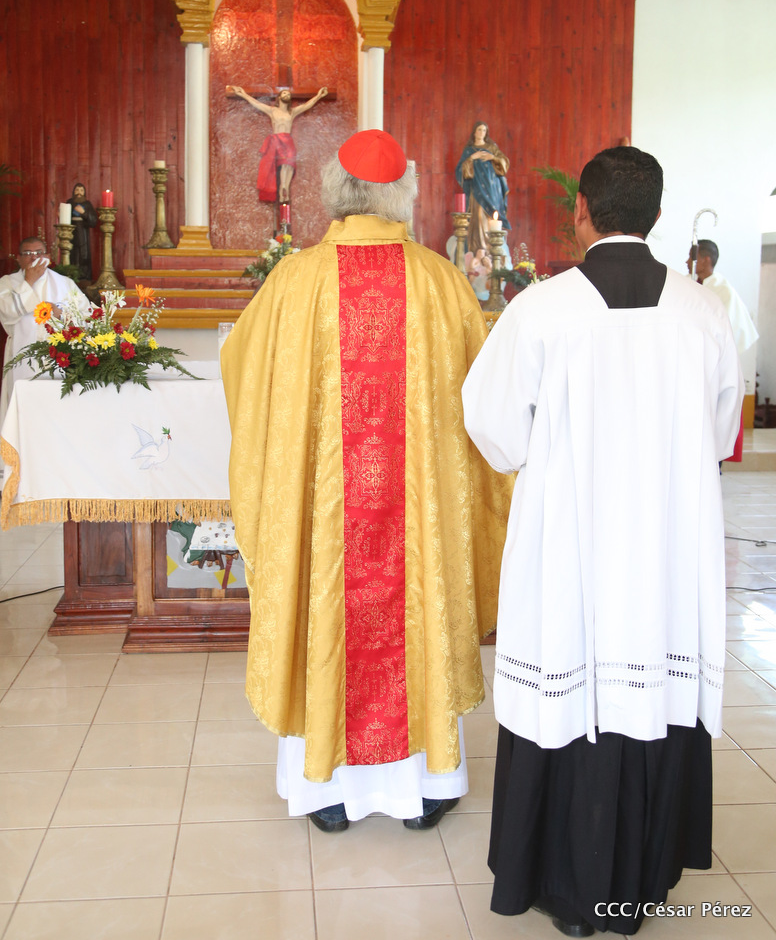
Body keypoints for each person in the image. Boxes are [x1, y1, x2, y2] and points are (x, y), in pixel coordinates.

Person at [462, 146, 743, 937]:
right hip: (667, 551)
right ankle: (644, 879)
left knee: (567, 675)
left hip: (569, 544)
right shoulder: (702, 312)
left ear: (581, 210)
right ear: (658, 216)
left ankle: (566, 889)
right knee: (654, 684)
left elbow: (493, 427)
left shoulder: (541, 309)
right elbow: (722, 427)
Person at [221, 129, 512, 834]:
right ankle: (427, 784)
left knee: (327, 604)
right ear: (401, 196)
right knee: (419, 601)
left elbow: (242, 370)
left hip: (327, 517)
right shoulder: (441, 282)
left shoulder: (295, 281)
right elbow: (484, 402)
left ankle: (323, 788)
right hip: (417, 514)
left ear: (334, 192)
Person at [0, 237, 91, 433]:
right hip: (21, 356)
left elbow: (87, 317)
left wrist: (61, 313)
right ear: (18, 258)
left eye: (39, 253)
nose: (34, 258)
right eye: (28, 254)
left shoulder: (65, 283)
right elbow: (6, 311)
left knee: (57, 411)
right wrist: (28, 282)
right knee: (22, 413)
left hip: (59, 358)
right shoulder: (7, 283)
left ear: (48, 256)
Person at [689, 239, 758, 463]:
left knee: (713, 425)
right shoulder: (692, 285)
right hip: (695, 367)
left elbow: (727, 334)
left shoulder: (722, 291)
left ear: (705, 259)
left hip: (714, 369)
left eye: (692, 257)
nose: (687, 261)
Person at [228, 85, 328, 203]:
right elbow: (256, 103)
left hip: (288, 141)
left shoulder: (292, 112)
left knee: (289, 164)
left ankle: (285, 188)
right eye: (284, 93)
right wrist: (243, 94)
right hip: (276, 141)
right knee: (274, 167)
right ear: (279, 97)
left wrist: (319, 96)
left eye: (288, 94)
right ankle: (281, 190)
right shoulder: (272, 111)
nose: (287, 95)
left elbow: (306, 105)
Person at [455, 121, 511, 254]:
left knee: (492, 216)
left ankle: (492, 250)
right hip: (477, 189)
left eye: (484, 130)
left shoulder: (492, 147)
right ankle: (479, 248)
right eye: (479, 130)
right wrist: (472, 158)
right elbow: (461, 170)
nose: (481, 133)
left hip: (492, 188)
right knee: (479, 216)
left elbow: (504, 164)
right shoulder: (469, 150)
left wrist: (493, 158)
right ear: (474, 132)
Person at [66, 182, 98, 279]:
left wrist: (84, 213)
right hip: (70, 232)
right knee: (71, 254)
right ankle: (71, 276)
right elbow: (65, 216)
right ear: (73, 191)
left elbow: (93, 221)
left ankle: (84, 277)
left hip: (83, 233)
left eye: (81, 190)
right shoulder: (69, 203)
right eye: (77, 190)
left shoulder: (87, 204)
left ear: (84, 192)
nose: (79, 193)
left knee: (83, 255)